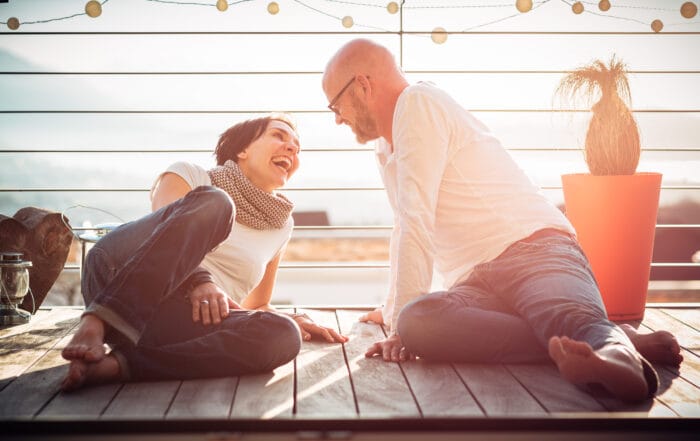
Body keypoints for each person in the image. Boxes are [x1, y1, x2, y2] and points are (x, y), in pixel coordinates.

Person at [322, 39, 682, 402]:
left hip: (535, 252)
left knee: (575, 321)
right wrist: (394, 313)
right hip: (477, 285)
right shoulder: (386, 146)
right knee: (418, 320)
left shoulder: (418, 104)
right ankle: (602, 336)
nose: (337, 118)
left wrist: (395, 327)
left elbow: (417, 220)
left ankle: (618, 363)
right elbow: (405, 226)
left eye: (335, 105)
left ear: (363, 85)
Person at [61, 114, 347, 391]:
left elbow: (256, 305)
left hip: (179, 324)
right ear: (243, 149)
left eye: (297, 147)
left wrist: (294, 320)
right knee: (218, 204)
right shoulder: (192, 176)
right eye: (278, 135)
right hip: (120, 284)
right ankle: (95, 322)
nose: (292, 148)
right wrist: (200, 280)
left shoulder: (281, 227)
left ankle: (120, 367)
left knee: (283, 336)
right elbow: (159, 238)